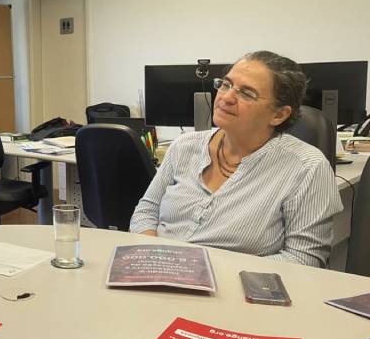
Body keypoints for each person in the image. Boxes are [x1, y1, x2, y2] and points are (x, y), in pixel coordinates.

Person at [130, 51, 342, 267]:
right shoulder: (184, 146)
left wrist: (201, 269)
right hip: (158, 278)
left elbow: (304, 260)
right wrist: (153, 258)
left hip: (238, 291)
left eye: (247, 93)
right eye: (226, 84)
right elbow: (147, 210)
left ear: (278, 115)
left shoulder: (307, 168)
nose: (226, 97)